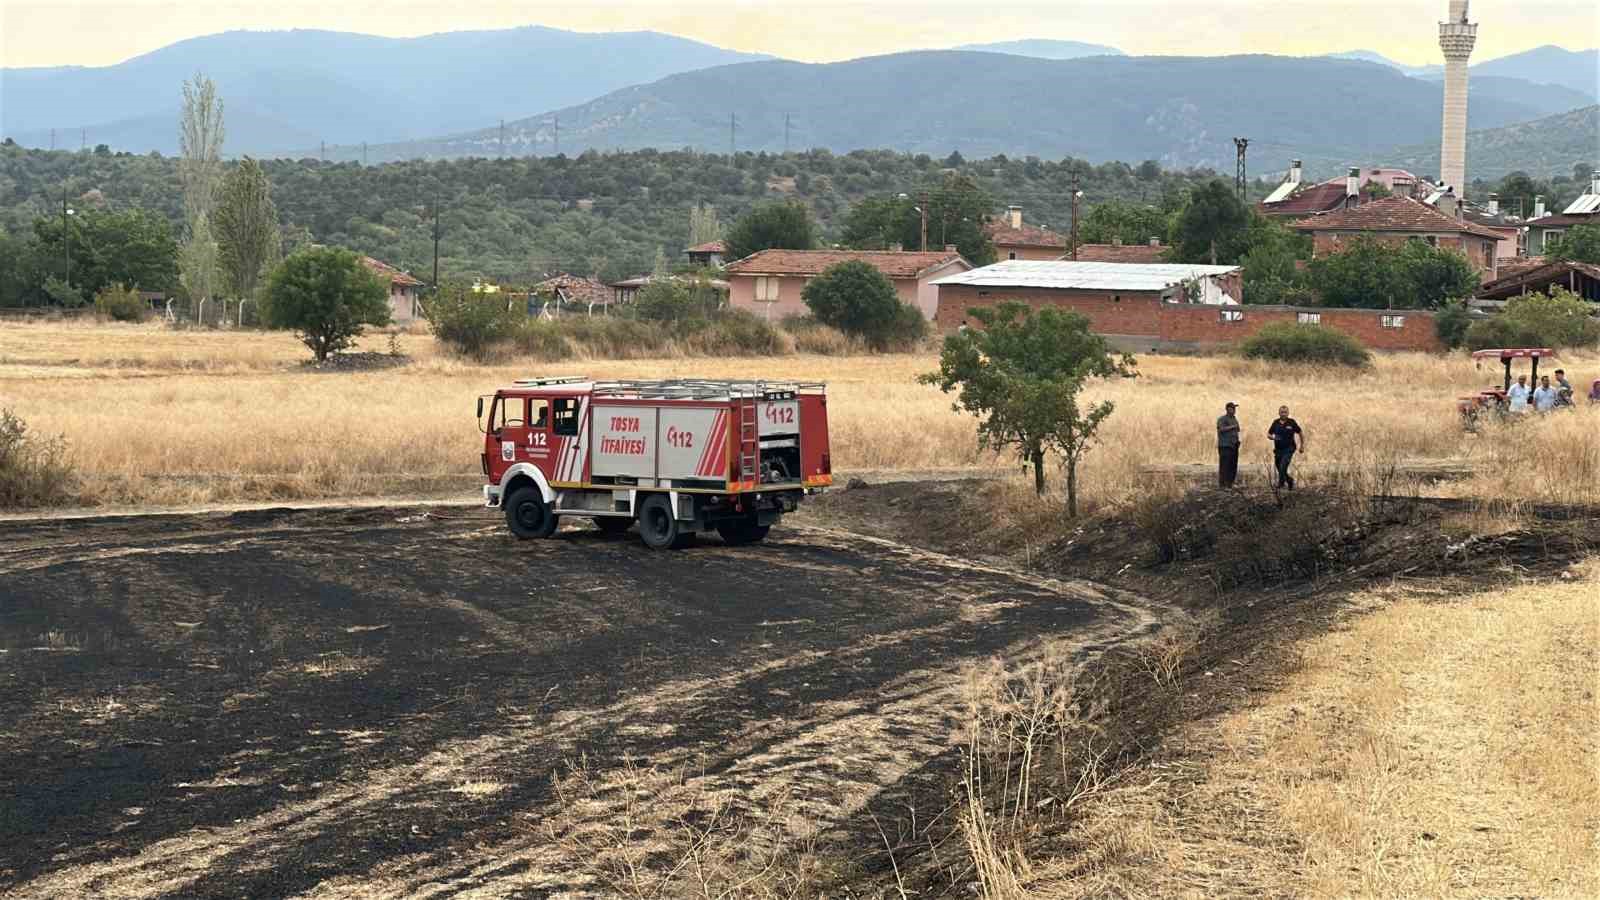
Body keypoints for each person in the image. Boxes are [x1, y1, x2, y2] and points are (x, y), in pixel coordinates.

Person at [1267, 405, 1305, 490]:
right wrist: (1273, 437)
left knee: (1283, 466)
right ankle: (1289, 480)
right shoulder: (1275, 422)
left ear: (1288, 413)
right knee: (1279, 467)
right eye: (1282, 412)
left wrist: (1302, 446)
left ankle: (1281, 484)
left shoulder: (1291, 422)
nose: (1283, 414)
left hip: (1289, 448)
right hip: (1278, 450)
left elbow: (1300, 433)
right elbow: (1269, 434)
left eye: (1285, 412)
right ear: (1279, 413)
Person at [1216, 402, 1241, 488]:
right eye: (1232, 408)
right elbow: (1221, 429)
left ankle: (1230, 483)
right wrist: (1232, 427)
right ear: (1227, 409)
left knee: (1233, 465)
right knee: (1224, 465)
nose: (1234, 410)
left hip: (1234, 445)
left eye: (1234, 408)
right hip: (1225, 445)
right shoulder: (1222, 419)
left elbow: (1238, 429)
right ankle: (1222, 484)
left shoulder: (1234, 418)